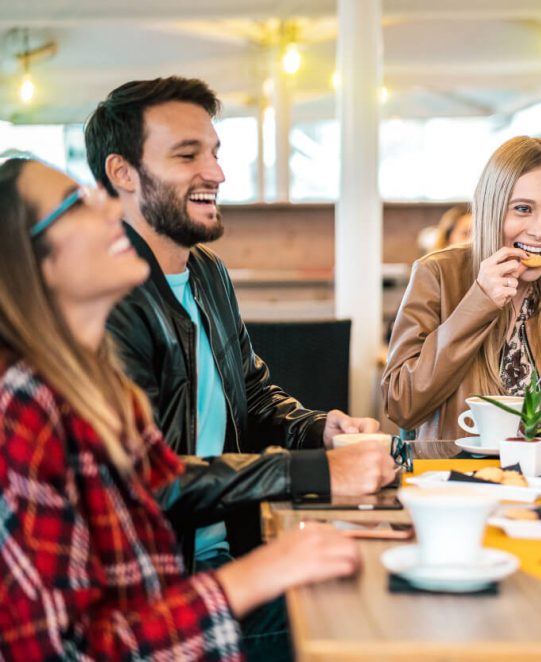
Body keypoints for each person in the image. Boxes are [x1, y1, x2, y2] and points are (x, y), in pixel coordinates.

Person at [0, 157, 364, 658]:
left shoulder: (99, 389)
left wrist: (318, 438)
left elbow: (163, 484)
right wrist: (256, 573)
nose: (110, 207)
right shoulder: (22, 411)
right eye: (78, 203)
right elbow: (66, 650)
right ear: (29, 260)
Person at [85, 77, 396, 658]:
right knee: (376, 612)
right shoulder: (106, 298)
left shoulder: (207, 273)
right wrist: (316, 472)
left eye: (215, 153)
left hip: (228, 555)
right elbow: (151, 481)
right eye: (187, 155)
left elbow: (250, 394)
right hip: (161, 591)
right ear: (123, 172)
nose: (217, 174)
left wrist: (318, 428)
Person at [383, 136, 541, 439]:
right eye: (522, 209)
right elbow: (402, 405)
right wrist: (478, 302)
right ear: (492, 209)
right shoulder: (438, 273)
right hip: (454, 478)